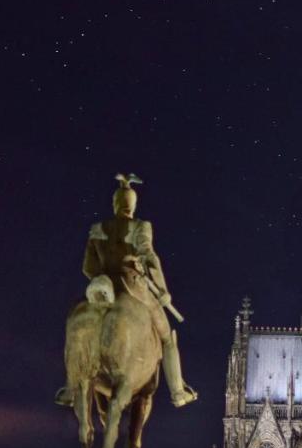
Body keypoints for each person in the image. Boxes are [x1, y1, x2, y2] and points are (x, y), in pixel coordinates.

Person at [57, 173, 197, 408]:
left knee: (75, 324)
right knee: (166, 338)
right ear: (132, 205)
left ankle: (70, 388)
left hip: (103, 285)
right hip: (134, 288)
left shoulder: (98, 228)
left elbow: (88, 267)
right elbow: (150, 258)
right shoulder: (140, 226)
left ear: (115, 204)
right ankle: (178, 391)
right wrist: (162, 290)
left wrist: (103, 275)